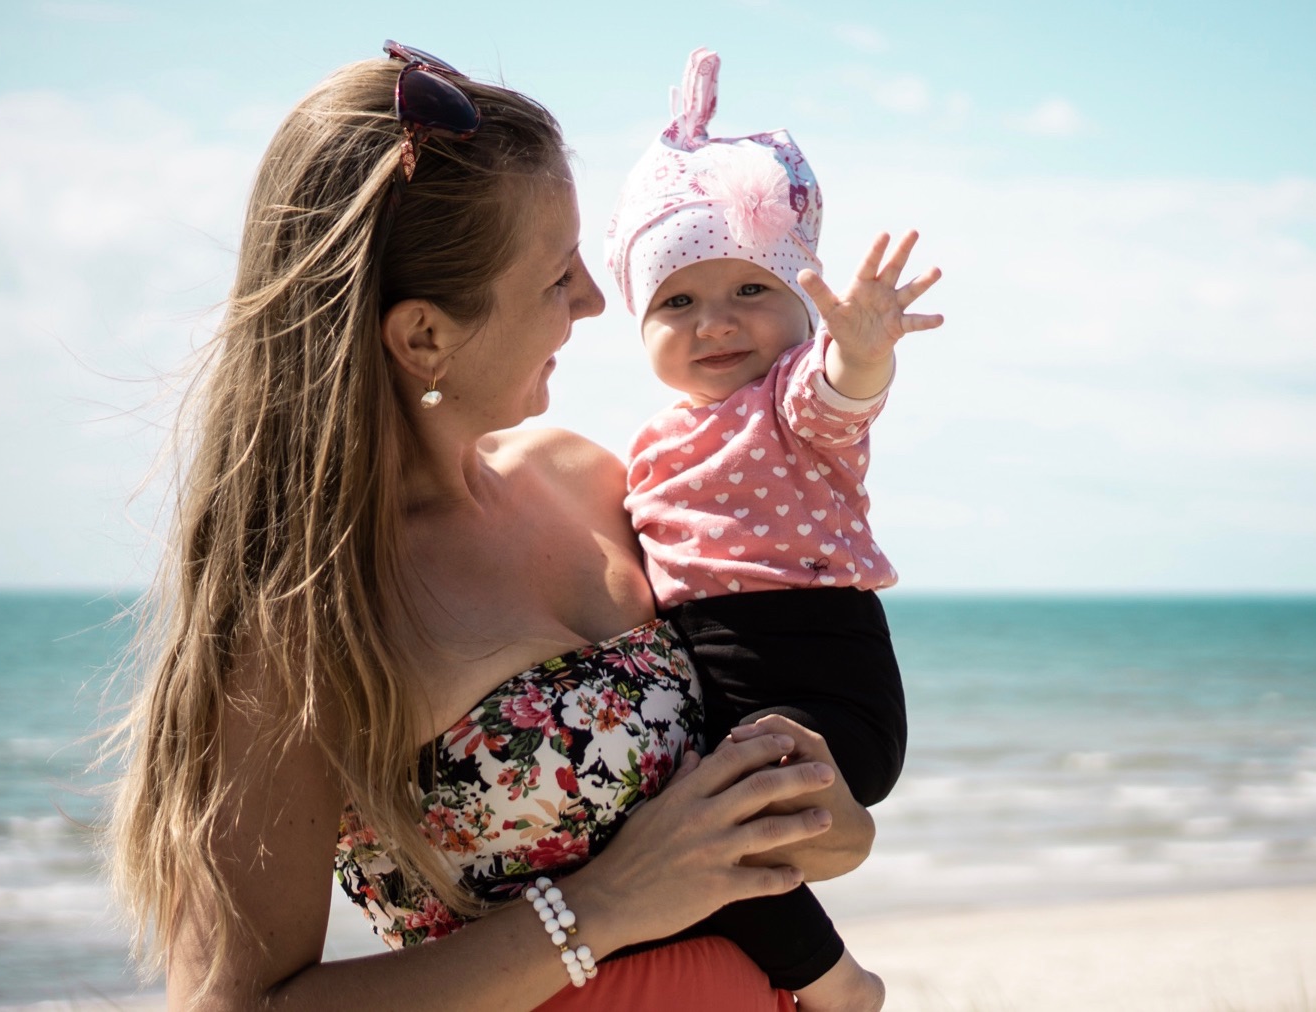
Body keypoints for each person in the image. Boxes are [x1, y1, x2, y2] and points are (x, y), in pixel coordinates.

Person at [106, 42, 877, 1011]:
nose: (598, 304)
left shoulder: (590, 482)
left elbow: (809, 832)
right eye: (560, 277)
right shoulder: (306, 620)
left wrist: (830, 816)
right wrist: (600, 907)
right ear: (424, 335)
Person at [605, 48, 942, 1008]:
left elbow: (844, 397)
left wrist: (862, 350)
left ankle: (837, 987)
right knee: (695, 845)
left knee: (730, 807)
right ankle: (835, 981)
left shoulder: (789, 400)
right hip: (718, 684)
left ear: (801, 304)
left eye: (751, 290)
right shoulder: (646, 446)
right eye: (678, 301)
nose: (715, 323)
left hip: (825, 674)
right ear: (641, 323)